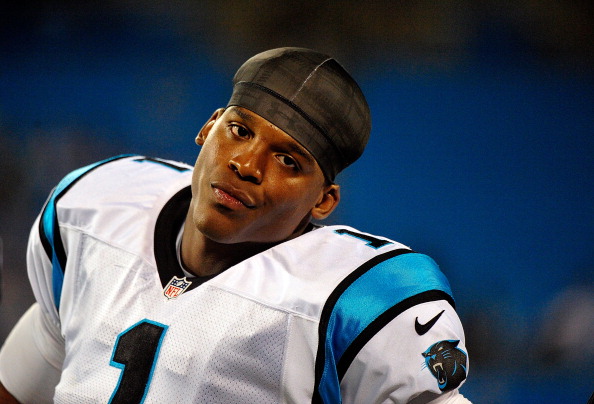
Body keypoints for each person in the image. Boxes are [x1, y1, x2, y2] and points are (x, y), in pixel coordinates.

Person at [0, 47, 471, 403]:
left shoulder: (354, 302)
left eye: (287, 160)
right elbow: (38, 360)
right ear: (209, 127)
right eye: (240, 131)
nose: (246, 165)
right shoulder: (100, 207)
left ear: (323, 200)